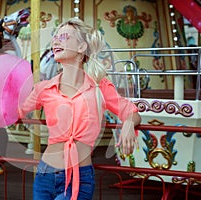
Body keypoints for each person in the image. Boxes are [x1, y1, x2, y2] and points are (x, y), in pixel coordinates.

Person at [18, 18, 141, 200]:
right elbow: (15, 112)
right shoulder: (44, 88)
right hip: (45, 175)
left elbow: (130, 111)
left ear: (82, 47)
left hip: (80, 177)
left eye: (64, 36)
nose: (56, 41)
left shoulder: (100, 87)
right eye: (55, 37)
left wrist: (129, 124)